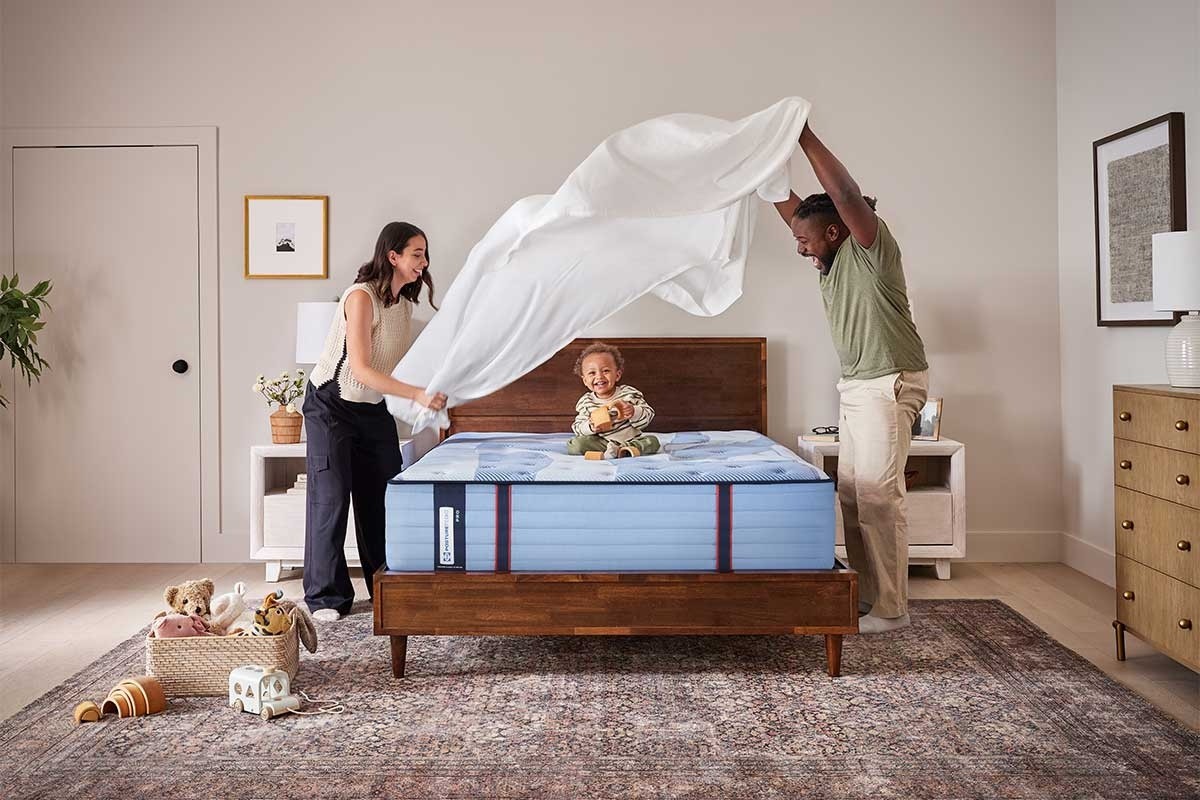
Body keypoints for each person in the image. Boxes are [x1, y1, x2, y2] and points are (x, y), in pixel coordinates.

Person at [774, 125, 929, 634]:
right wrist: (763, 174)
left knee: (881, 497)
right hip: (858, 386)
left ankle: (893, 608)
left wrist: (803, 135)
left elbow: (843, 195)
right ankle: (865, 597)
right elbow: (796, 211)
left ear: (837, 230)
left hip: (890, 381)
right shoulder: (830, 259)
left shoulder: (870, 249)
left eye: (804, 239)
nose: (799, 247)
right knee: (852, 495)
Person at [302, 221, 447, 621]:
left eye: (425, 253)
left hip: (370, 408)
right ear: (393, 256)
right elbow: (362, 369)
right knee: (331, 497)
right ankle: (325, 598)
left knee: (382, 497)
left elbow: (402, 367)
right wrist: (416, 394)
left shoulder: (403, 307)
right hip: (331, 405)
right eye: (416, 253)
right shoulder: (360, 297)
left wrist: (432, 388)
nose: (424, 261)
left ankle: (385, 584)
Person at [567, 343, 660, 459]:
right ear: (585, 380)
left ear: (617, 375)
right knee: (575, 444)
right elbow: (577, 427)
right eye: (592, 373)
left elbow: (648, 415)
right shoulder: (586, 402)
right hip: (603, 442)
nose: (599, 376)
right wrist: (590, 426)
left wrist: (633, 411)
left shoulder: (628, 394)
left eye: (605, 371)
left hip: (631, 439)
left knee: (652, 441)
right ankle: (613, 450)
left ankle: (625, 449)